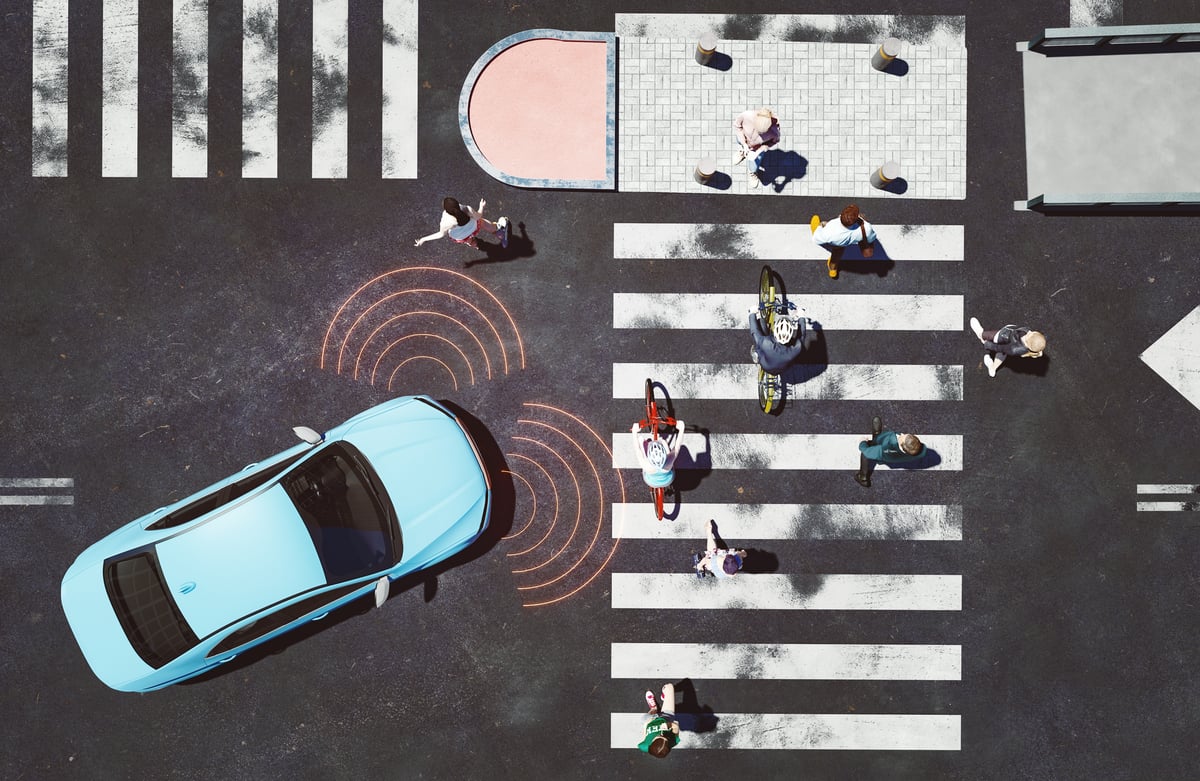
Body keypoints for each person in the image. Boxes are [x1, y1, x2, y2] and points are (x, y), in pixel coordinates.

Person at [414, 197, 509, 250]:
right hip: (474, 228)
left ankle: (474, 243)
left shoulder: (446, 222)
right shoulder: (467, 209)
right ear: (457, 204)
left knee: (468, 240)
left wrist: (423, 239)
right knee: (482, 222)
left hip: (461, 237)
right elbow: (478, 216)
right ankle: (498, 231)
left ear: (446, 210)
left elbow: (440, 234)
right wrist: (481, 207)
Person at [855, 415, 925, 488]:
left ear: (901, 444)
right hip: (889, 451)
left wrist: (862, 442)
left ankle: (863, 477)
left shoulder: (889, 445)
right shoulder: (908, 449)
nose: (901, 434)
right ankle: (877, 437)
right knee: (880, 439)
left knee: (865, 454)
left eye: (902, 437)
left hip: (882, 453)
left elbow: (867, 451)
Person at [810, 204, 877, 279]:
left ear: (841, 216)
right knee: (837, 255)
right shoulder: (866, 227)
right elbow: (871, 239)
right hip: (849, 240)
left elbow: (817, 239)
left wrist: (821, 225)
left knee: (836, 254)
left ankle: (833, 270)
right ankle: (833, 270)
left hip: (838, 242)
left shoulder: (831, 228)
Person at [968, 317, 1046, 378]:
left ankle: (980, 334)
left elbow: (1000, 348)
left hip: (1002, 337)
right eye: (1033, 332)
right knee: (1002, 354)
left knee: (993, 342)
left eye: (1030, 334)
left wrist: (988, 345)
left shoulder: (1014, 349)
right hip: (1008, 343)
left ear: (1028, 345)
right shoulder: (1028, 343)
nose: (1030, 332)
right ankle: (992, 369)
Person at [631, 418, 686, 490]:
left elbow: (637, 448)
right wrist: (681, 429)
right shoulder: (668, 462)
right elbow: (677, 446)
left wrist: (634, 431)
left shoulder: (646, 464)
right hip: (668, 481)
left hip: (651, 482)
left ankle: (645, 442)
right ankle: (662, 443)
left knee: (640, 441)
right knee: (664, 442)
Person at [733, 108, 780, 188]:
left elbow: (774, 141)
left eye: (763, 133)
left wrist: (762, 149)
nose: (760, 133)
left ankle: (753, 173)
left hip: (757, 149)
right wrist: (744, 144)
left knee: (754, 165)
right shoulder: (746, 115)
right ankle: (742, 152)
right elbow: (737, 126)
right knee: (739, 143)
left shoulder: (774, 131)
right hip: (743, 140)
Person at [748, 306, 804, 375]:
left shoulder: (766, 343)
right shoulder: (796, 349)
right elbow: (802, 335)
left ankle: (756, 355)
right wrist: (801, 316)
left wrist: (752, 313)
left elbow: (754, 331)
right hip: (782, 370)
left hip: (766, 366)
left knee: (759, 343)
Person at [638, 684, 680, 758]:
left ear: (651, 744)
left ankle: (653, 708)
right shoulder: (673, 742)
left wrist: (647, 724)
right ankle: (665, 697)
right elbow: (676, 727)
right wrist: (669, 725)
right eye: (664, 737)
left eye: (659, 736)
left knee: (644, 718)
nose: (661, 734)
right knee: (669, 687)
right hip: (666, 717)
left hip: (652, 719)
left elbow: (646, 736)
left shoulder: (644, 746)